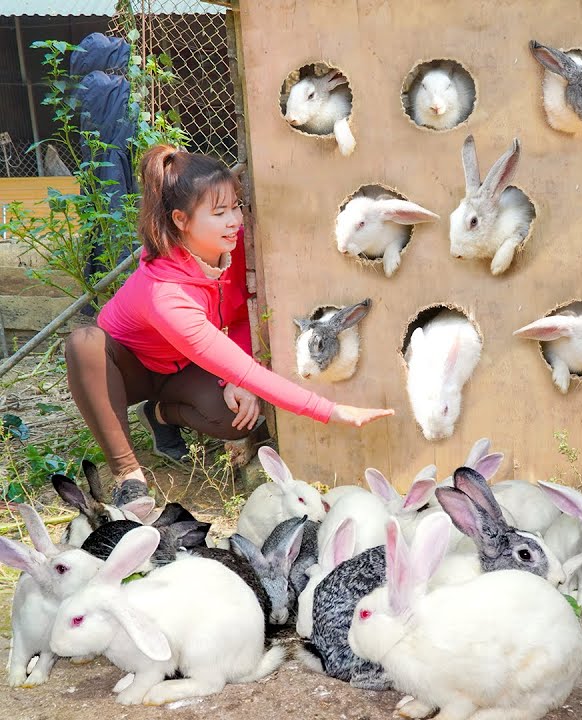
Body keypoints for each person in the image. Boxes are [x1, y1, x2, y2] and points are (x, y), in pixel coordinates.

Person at [65, 144, 393, 501]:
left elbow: (239, 314)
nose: (235, 220)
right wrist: (333, 411)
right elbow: (243, 368)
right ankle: (129, 476)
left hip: (182, 364)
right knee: (84, 343)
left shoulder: (232, 250)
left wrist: (233, 377)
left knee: (235, 417)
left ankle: (160, 415)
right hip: (126, 372)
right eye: (219, 212)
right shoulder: (164, 294)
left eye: (235, 206)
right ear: (181, 220)